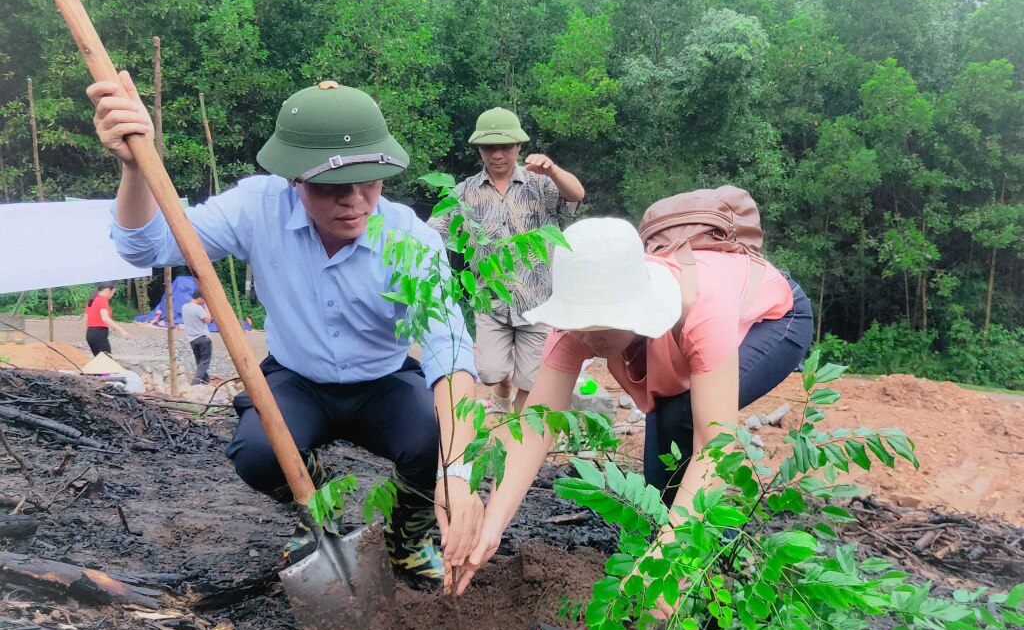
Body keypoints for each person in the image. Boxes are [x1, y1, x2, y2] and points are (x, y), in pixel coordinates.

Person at [87, 74, 482, 581]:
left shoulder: (410, 238)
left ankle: (407, 535)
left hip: (382, 381)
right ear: (294, 180)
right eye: (333, 188)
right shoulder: (258, 208)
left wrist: (458, 475)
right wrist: (133, 167)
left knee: (436, 438)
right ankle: (317, 504)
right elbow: (146, 246)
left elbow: (450, 348)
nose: (356, 202)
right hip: (298, 379)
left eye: (370, 183)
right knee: (256, 452)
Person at [456, 217, 813, 594]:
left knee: (685, 417)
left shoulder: (703, 312)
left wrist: (671, 555)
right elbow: (536, 426)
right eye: (578, 324)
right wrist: (491, 528)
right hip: (705, 317)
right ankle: (665, 551)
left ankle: (707, 569)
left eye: (598, 326)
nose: (584, 336)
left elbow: (715, 445)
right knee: (666, 443)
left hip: (776, 317)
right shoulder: (577, 322)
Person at [430, 107, 585, 414]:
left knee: (532, 381)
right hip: (491, 301)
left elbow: (576, 194)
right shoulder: (465, 193)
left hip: (538, 300)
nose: (497, 154)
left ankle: (514, 431)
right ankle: (503, 384)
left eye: (505, 146)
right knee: (489, 372)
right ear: (479, 150)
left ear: (518, 148)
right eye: (489, 147)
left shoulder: (539, 183)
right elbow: (433, 230)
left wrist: (553, 170)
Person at [84, 282, 130, 356]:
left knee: (99, 360)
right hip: (99, 333)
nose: (112, 295)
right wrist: (122, 330)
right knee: (107, 359)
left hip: (90, 333)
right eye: (112, 293)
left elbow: (86, 319)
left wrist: (89, 332)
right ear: (108, 290)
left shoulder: (91, 301)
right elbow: (105, 317)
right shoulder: (102, 300)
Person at [181, 290, 213, 385]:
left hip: (192, 339)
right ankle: (197, 380)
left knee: (199, 360)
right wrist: (207, 308)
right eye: (203, 299)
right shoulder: (198, 308)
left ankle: (205, 380)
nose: (203, 301)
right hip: (203, 337)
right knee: (205, 360)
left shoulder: (184, 307)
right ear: (200, 298)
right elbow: (208, 320)